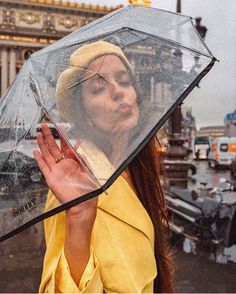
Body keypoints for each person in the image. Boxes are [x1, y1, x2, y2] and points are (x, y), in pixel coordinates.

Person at [34, 41, 174, 293]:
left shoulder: (136, 166)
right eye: (98, 88)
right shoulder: (74, 183)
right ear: (84, 112)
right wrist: (80, 218)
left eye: (124, 80)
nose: (119, 92)